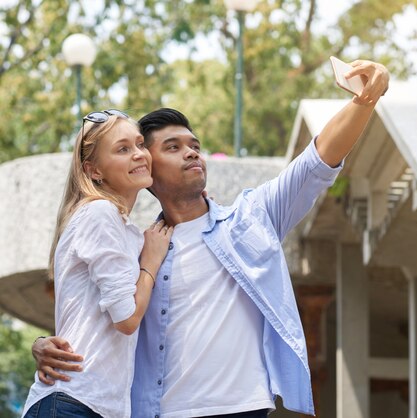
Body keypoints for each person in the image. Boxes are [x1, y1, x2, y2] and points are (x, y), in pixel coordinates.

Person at [32, 59, 390, 418]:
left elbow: (317, 161)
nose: (191, 152)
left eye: (194, 145)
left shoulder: (251, 220)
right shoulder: (140, 247)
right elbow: (99, 318)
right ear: (147, 168)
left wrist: (364, 102)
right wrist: (44, 343)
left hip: (242, 409)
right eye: (172, 147)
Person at [22, 111, 173, 417]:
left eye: (140, 144)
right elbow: (127, 319)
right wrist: (150, 264)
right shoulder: (99, 213)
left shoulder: (123, 228)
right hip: (73, 402)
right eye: (122, 149)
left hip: (91, 405)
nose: (139, 155)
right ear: (94, 171)